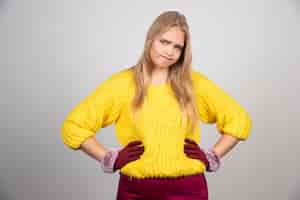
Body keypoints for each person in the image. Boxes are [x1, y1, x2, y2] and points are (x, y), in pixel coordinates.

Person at [61, 10, 252, 200]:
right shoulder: (122, 84)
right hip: (135, 190)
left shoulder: (193, 84)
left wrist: (212, 156)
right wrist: (110, 158)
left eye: (178, 47)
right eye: (164, 42)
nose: (170, 51)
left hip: (188, 190)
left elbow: (239, 119)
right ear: (150, 39)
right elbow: (74, 126)